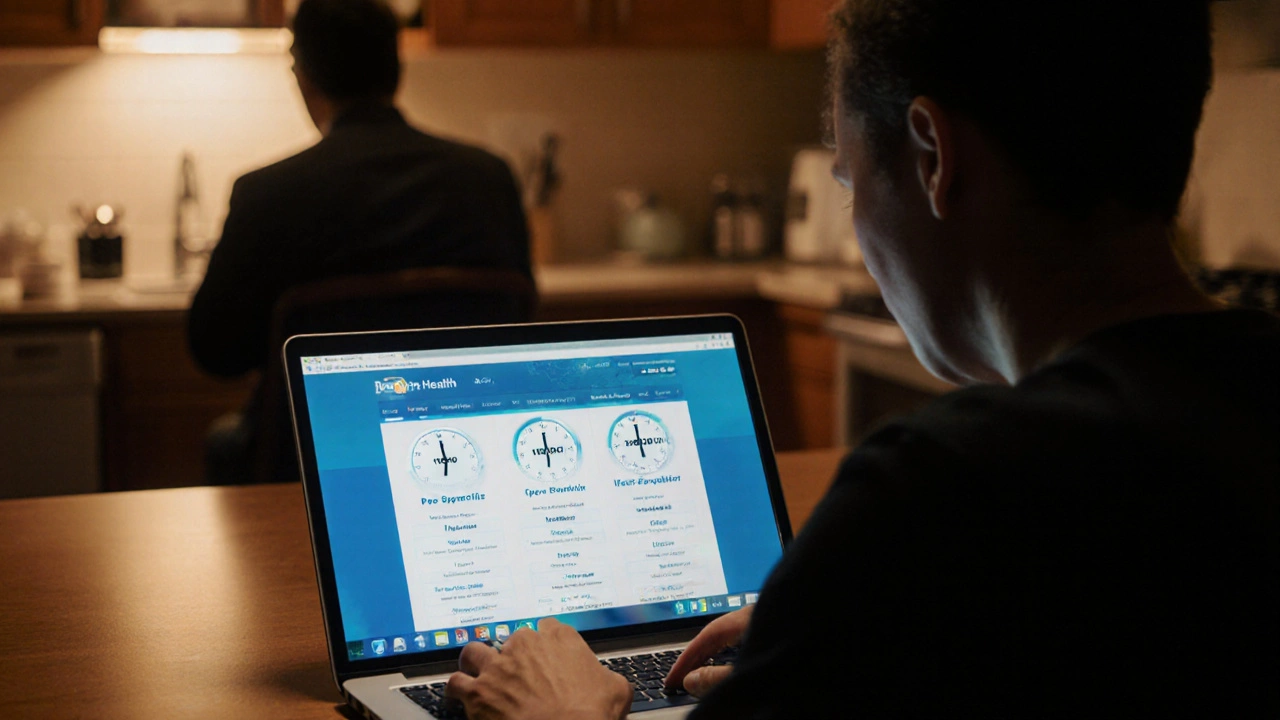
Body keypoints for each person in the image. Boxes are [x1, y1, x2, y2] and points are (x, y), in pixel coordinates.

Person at [442, 0, 1279, 718]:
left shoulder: (941, 491)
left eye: (849, 180)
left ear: (932, 155)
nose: (858, 232)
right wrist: (833, 620)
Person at [188, 0, 530, 482]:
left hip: (306, 461)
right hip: (467, 442)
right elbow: (516, 327)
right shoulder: (487, 178)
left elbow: (215, 351)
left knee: (228, 440)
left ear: (303, 75)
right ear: (396, 69)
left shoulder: (271, 192)